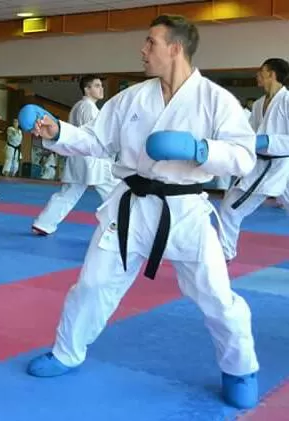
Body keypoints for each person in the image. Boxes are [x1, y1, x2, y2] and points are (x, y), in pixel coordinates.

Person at [18, 14, 259, 409]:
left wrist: (201, 151)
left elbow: (244, 156)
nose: (142, 50)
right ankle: (66, 352)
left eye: (150, 42)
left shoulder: (216, 100)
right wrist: (57, 132)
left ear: (175, 48)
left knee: (216, 296)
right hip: (129, 205)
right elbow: (96, 140)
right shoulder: (132, 97)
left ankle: (240, 368)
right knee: (93, 284)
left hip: (186, 211)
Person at [218, 58, 289, 262]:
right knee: (230, 207)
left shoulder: (287, 100)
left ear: (272, 74)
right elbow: (247, 134)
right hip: (263, 165)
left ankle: (224, 253)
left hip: (279, 165)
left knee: (231, 208)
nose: (257, 75)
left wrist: (268, 140)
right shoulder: (258, 104)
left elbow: (265, 140)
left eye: (261, 71)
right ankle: (226, 252)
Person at [32, 75, 119, 235]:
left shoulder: (79, 106)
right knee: (115, 192)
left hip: (79, 158)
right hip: (91, 158)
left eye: (101, 85)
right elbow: (94, 135)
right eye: (97, 85)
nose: (101, 89)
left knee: (69, 193)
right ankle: (125, 224)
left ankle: (44, 223)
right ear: (87, 89)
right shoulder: (88, 107)